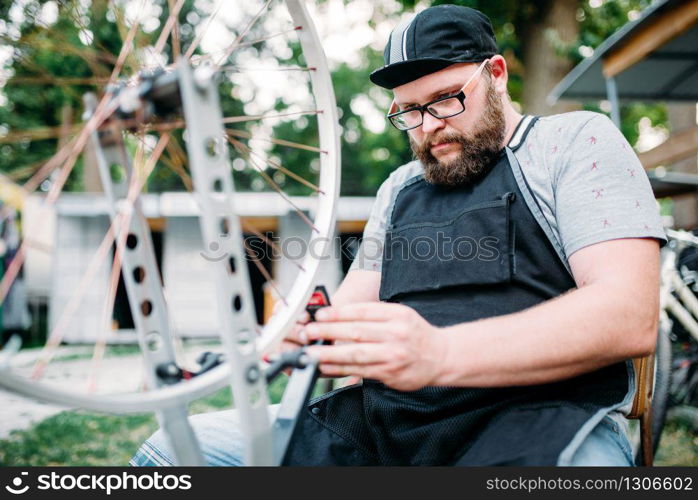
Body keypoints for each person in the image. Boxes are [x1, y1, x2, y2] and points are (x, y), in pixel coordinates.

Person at [131, 4, 666, 466]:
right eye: (409, 111)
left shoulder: (572, 142)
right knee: (169, 453)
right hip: (385, 429)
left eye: (445, 99)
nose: (428, 125)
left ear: (497, 74)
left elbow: (627, 313)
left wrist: (440, 353)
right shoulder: (400, 187)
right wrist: (303, 335)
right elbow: (346, 317)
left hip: (544, 421)